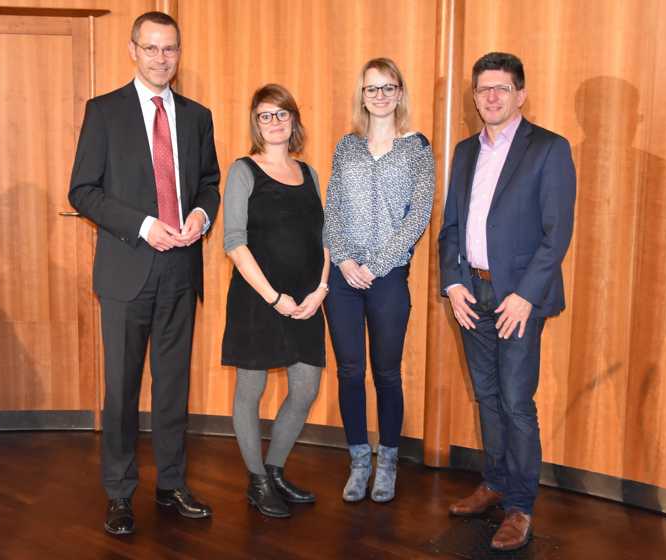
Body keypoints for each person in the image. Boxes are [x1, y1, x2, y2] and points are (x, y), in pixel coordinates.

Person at [68, 11, 220, 535]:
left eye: (170, 49)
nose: (162, 58)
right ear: (132, 49)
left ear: (179, 53)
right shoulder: (103, 111)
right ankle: (119, 492)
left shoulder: (198, 116)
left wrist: (202, 214)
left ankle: (172, 484)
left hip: (182, 270)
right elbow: (83, 191)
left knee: (174, 387)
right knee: (122, 390)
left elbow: (208, 182)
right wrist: (144, 225)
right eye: (152, 48)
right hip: (126, 272)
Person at [439, 52, 576, 551]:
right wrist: (452, 284)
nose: (490, 97)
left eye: (501, 88)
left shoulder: (548, 149)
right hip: (470, 293)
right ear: (474, 96)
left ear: (521, 94)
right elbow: (451, 227)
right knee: (488, 396)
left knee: (517, 404)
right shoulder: (465, 151)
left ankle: (520, 505)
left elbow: (555, 234)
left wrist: (524, 296)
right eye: (482, 89)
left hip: (518, 298)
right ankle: (494, 481)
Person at [323, 58, 435, 503]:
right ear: (362, 95)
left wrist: (379, 263)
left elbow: (419, 215)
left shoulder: (417, 148)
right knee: (350, 371)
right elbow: (332, 210)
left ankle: (387, 462)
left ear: (401, 92)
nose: (381, 95)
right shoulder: (346, 146)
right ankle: (358, 461)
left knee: (387, 373)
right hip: (344, 277)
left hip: (388, 278)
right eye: (373, 88)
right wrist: (346, 260)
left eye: (389, 87)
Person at [221, 84, 329, 518]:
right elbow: (234, 242)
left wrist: (320, 290)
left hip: (306, 299)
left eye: (282, 114)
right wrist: (274, 298)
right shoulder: (243, 170)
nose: (275, 122)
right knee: (251, 388)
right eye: (265, 115)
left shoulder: (311, 174)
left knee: (305, 388)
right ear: (256, 122)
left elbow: (326, 238)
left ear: (294, 120)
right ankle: (257, 481)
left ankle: (276, 469)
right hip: (257, 297)